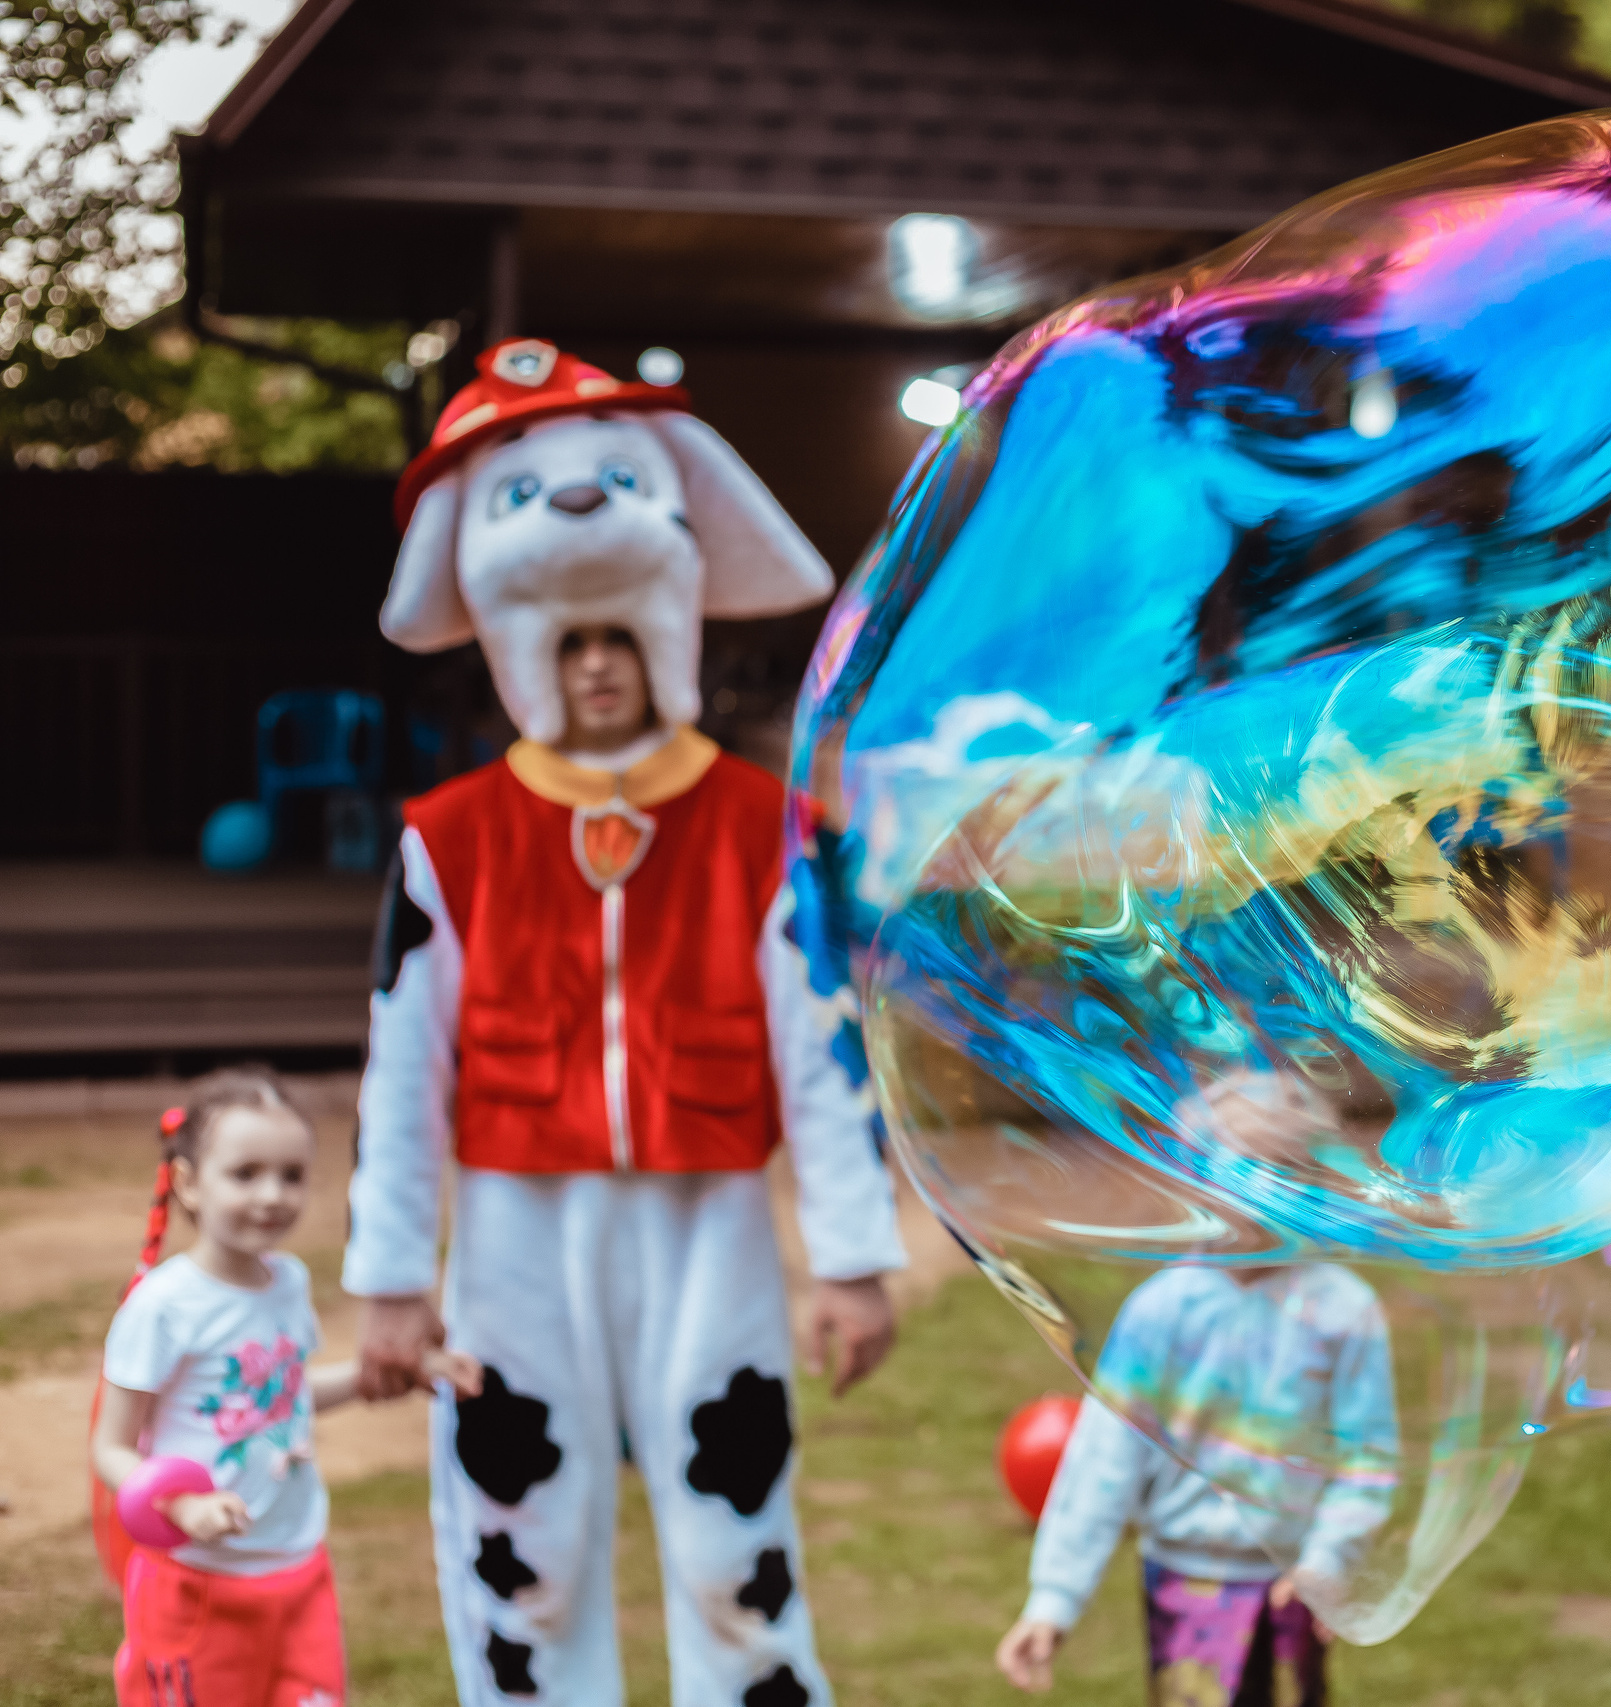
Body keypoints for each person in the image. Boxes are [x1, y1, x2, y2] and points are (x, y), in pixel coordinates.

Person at [350, 340, 908, 1706]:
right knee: (519, 1531)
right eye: (570, 642)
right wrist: (389, 1272)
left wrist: (848, 1255)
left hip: (705, 1212)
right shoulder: (451, 838)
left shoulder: (756, 830)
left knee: (736, 1531)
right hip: (512, 1224)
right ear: (528, 649)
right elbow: (402, 1065)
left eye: (619, 638)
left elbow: (823, 1049)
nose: (598, 668)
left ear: (665, 632)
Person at [994, 1075, 1398, 1706]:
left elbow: (1366, 1458)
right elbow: (1104, 1460)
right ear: (1198, 1179)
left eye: (1289, 1166)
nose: (1266, 1186)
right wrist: (1054, 1599)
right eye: (1246, 1164)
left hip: (1294, 1581)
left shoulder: (1344, 1312)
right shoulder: (1162, 1312)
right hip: (1186, 1578)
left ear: (1318, 1180)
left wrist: (1327, 1562)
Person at [92, 1069, 480, 1707]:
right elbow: (112, 1449)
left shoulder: (289, 1285)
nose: (271, 1195)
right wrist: (184, 1508)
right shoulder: (163, 1308)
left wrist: (402, 1373)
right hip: (197, 1582)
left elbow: (286, 1398)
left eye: (291, 1175)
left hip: (298, 1569)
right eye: (245, 1174)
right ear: (189, 1183)